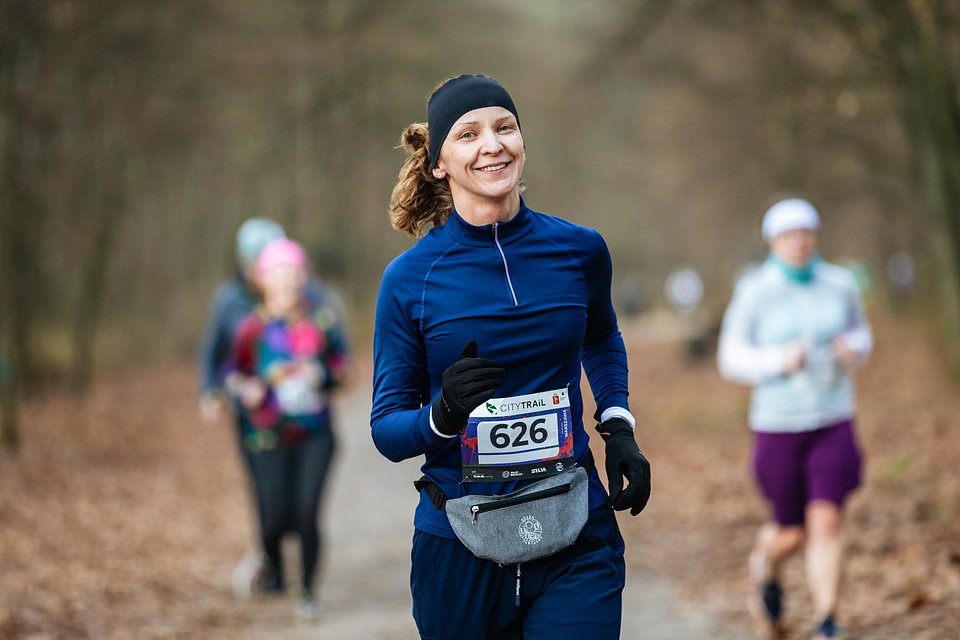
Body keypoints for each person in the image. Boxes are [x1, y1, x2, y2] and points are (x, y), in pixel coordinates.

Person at [370, 74, 651, 640]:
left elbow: (600, 337)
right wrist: (442, 415)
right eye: (468, 134)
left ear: (522, 141)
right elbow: (387, 430)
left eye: (505, 127)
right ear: (439, 165)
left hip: (575, 524)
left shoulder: (579, 250)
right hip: (460, 540)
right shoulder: (410, 280)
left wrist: (618, 425)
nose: (492, 145)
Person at [717, 198, 872, 640]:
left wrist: (855, 348)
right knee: (791, 531)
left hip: (832, 418)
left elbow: (862, 331)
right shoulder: (755, 290)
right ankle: (766, 565)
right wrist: (777, 361)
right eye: (788, 236)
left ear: (815, 237)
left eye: (805, 234)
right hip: (777, 425)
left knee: (827, 520)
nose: (798, 242)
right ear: (773, 242)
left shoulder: (839, 283)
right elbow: (730, 357)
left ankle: (828, 621)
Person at [226, 237, 349, 620]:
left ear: (304, 277)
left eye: (295, 274)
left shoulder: (321, 321)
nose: (288, 282)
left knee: (307, 514)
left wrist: (322, 373)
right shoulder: (251, 329)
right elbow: (232, 372)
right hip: (267, 435)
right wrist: (246, 389)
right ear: (263, 280)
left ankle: (307, 592)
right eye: (280, 274)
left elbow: (343, 369)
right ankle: (267, 557)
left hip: (316, 435)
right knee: (274, 518)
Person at [196, 217, 286, 594]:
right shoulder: (228, 301)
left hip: (294, 415)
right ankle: (273, 565)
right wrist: (210, 392)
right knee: (264, 490)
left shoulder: (292, 293)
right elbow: (211, 352)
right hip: (251, 416)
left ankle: (281, 550)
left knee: (290, 491)